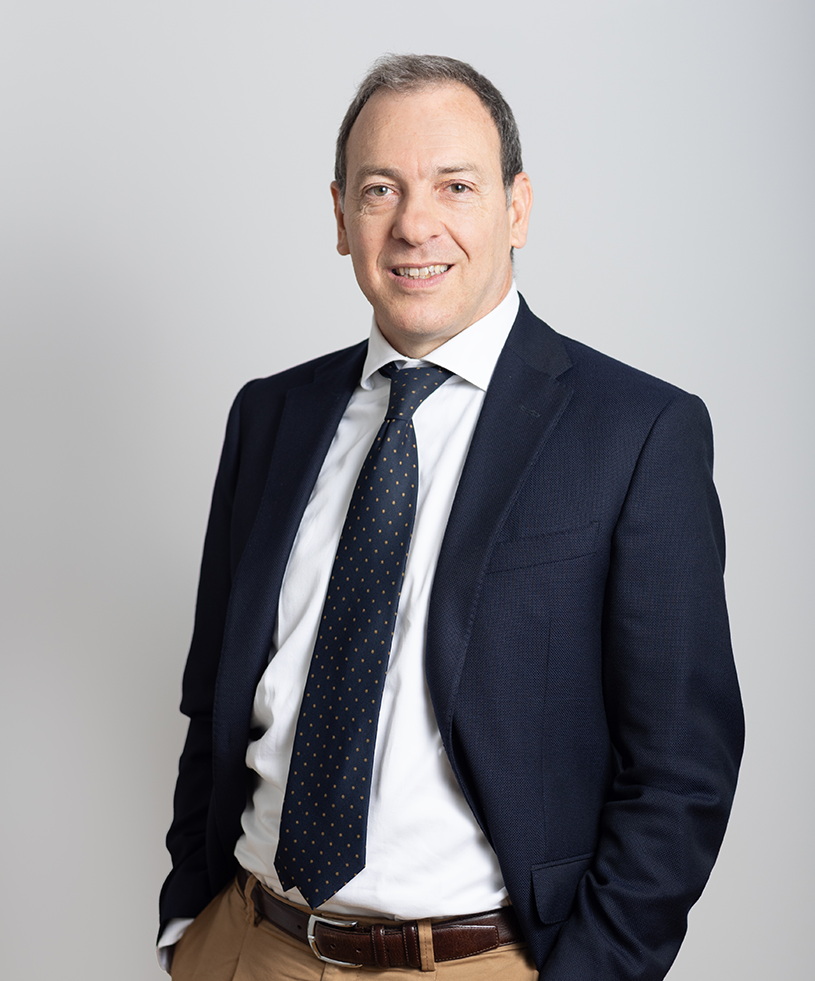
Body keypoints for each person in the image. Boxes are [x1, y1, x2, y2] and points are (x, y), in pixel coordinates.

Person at [159, 54, 744, 980]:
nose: (413, 224)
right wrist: (187, 921)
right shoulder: (270, 417)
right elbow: (216, 701)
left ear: (516, 207)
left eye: (454, 185)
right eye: (379, 189)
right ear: (341, 217)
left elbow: (681, 766)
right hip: (250, 942)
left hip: (479, 959)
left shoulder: (635, 432)